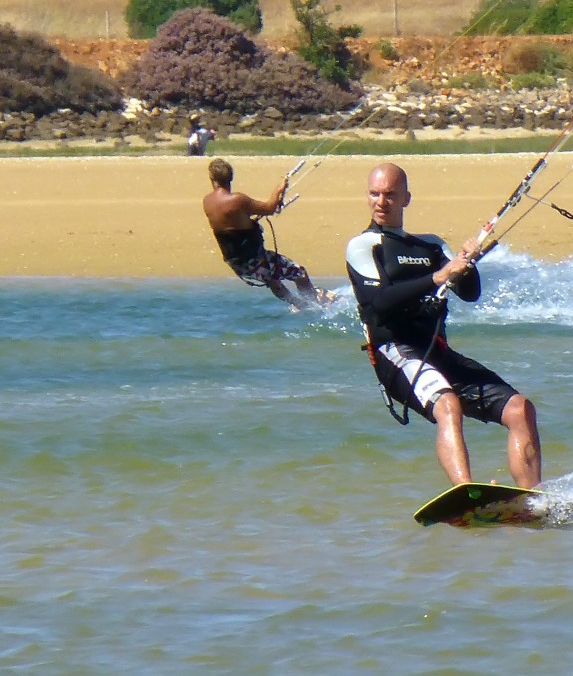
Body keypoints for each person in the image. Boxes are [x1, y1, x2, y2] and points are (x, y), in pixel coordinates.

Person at [345, 162, 542, 488]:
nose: (381, 202)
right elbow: (378, 303)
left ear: (406, 198)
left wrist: (466, 264)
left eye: (390, 195)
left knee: (520, 409)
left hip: (438, 352)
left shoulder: (431, 246)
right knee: (447, 404)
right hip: (395, 352)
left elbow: (470, 293)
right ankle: (465, 492)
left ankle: (532, 497)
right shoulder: (364, 246)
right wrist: (438, 276)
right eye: (374, 194)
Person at [202, 158, 334, 311]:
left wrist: (251, 222)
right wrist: (279, 189)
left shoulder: (207, 202)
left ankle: (298, 303)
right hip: (254, 259)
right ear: (231, 177)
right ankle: (314, 305)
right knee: (299, 273)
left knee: (273, 281)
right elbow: (270, 207)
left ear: (212, 179)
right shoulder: (237, 200)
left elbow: (232, 224)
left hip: (236, 262)